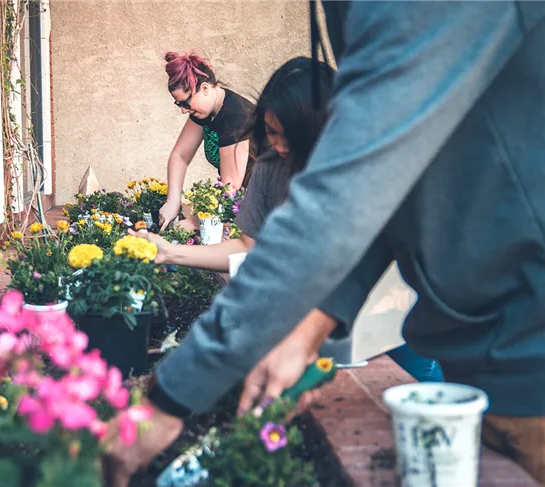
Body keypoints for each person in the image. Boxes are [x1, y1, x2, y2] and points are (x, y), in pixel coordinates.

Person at [104, 1, 545, 485]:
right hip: (482, 351)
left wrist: (173, 395)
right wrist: (310, 329)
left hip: (525, 352)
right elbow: (383, 197)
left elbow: (348, 195)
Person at [135, 56, 443, 383]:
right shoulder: (269, 167)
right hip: (327, 326)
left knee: (418, 391)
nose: (278, 146)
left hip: (395, 317)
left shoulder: (361, 167)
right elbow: (248, 247)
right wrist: (169, 252)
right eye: (270, 132)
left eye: (288, 136)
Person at [158, 52, 254, 232]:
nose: (184, 111)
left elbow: (230, 188)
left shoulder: (235, 117)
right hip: (241, 203)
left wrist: (194, 222)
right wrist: (173, 200)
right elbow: (180, 156)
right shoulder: (205, 111)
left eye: (186, 103)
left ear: (204, 89)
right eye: (179, 105)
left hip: (270, 203)